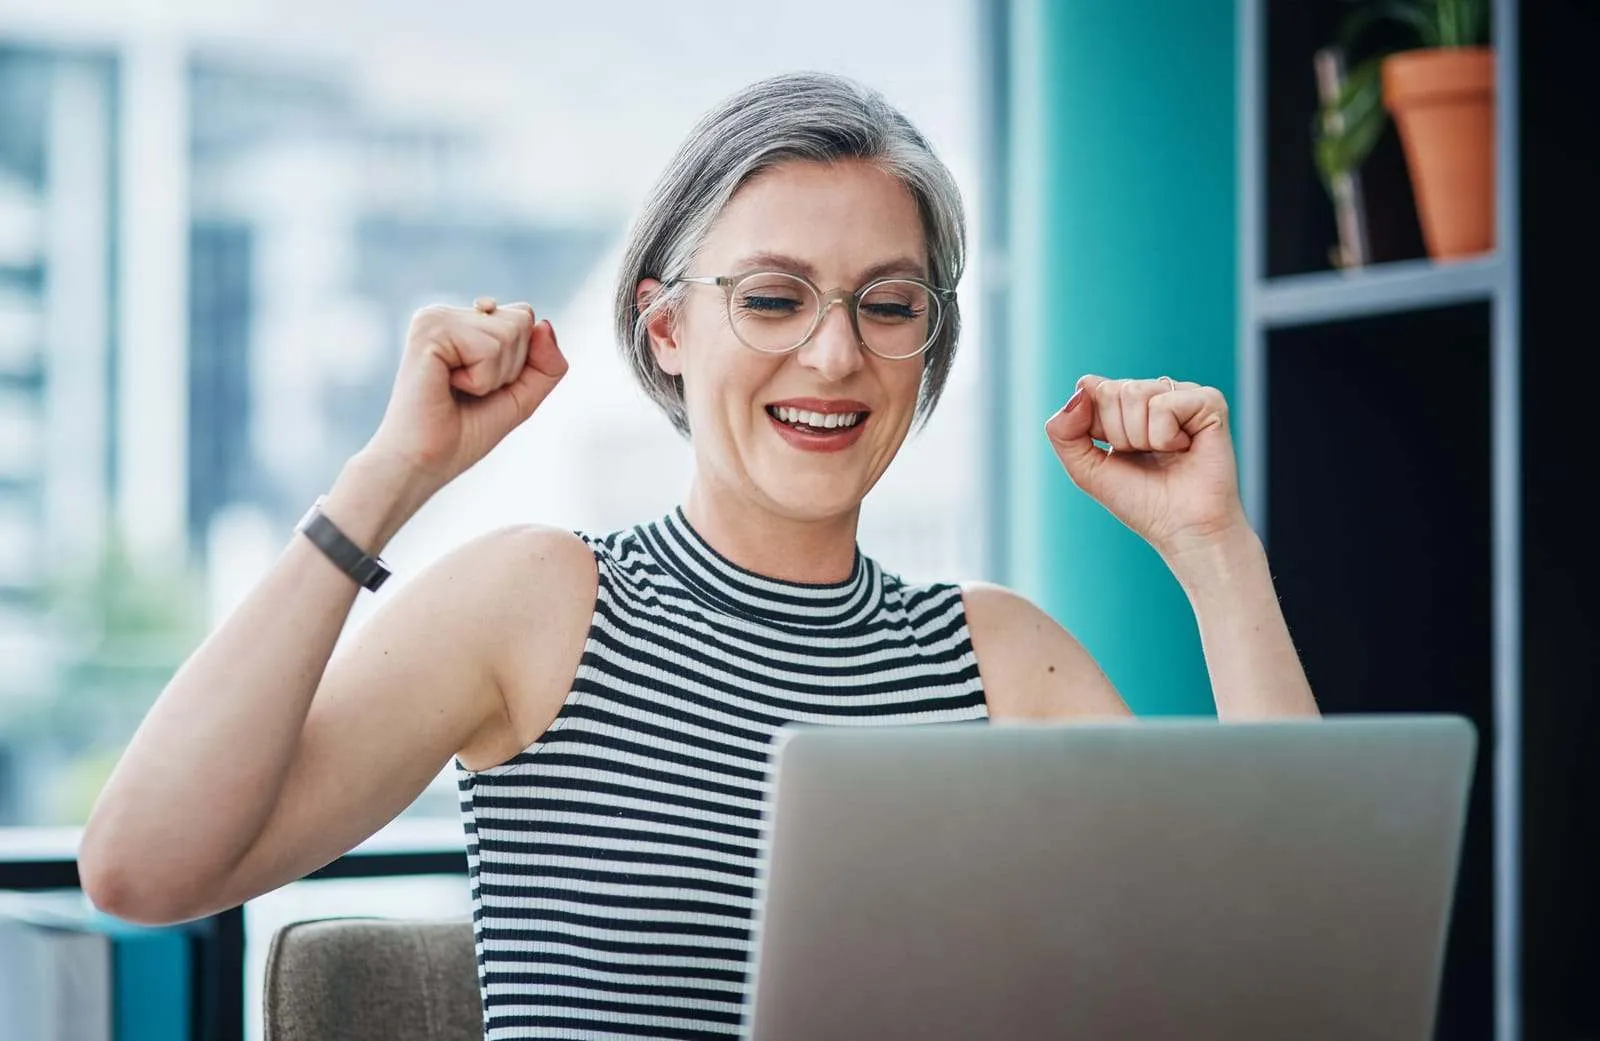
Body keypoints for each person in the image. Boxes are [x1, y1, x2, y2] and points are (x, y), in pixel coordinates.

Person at [79, 72, 1318, 1039]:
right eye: (774, 299)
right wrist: (388, 476)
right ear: (666, 327)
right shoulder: (540, 602)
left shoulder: (998, 657)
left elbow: (1299, 974)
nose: (834, 357)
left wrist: (1213, 549)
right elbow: (143, 867)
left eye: (887, 305)